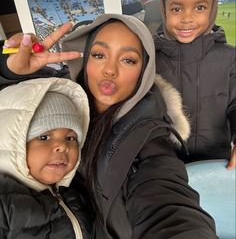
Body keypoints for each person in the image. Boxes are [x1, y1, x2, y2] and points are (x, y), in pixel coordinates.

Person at [0, 14, 218, 238]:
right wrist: (10, 70)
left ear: (144, 71)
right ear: (85, 62)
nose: (110, 70)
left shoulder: (148, 141)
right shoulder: (59, 95)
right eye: (99, 55)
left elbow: (168, 205)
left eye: (128, 60)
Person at [153, 0, 236, 168]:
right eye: (177, 8)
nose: (187, 18)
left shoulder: (230, 58)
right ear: (164, 9)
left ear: (213, 8)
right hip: (164, 172)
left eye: (199, 7)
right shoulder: (149, 61)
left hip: (217, 165)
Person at [0, 77, 93, 238]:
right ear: (13, 144)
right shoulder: (4, 205)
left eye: (70, 138)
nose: (63, 146)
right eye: (44, 137)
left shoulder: (76, 193)